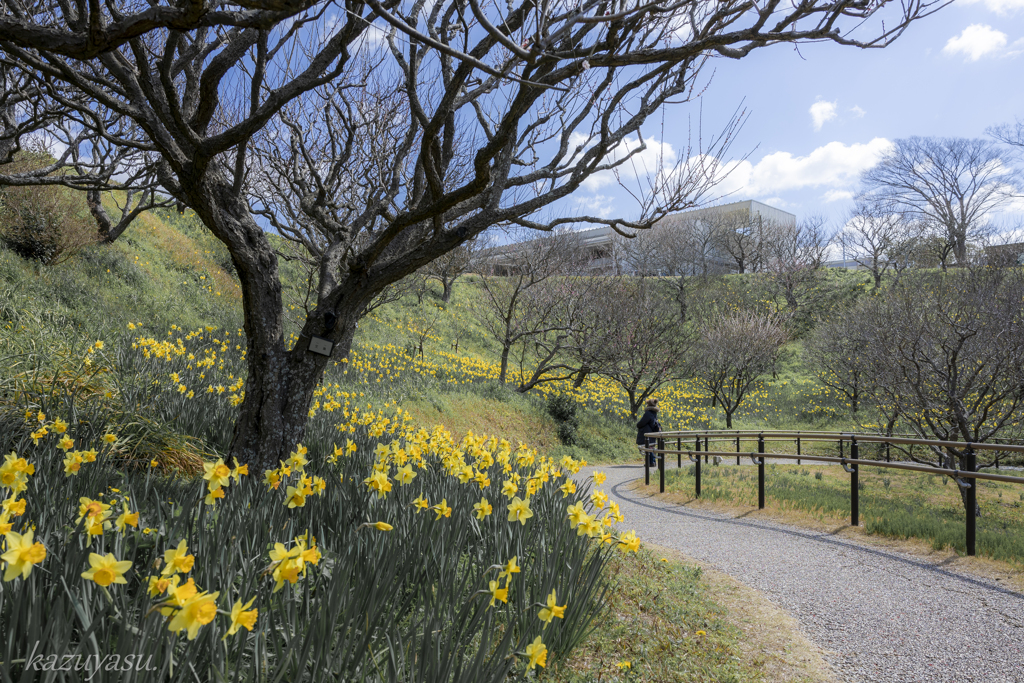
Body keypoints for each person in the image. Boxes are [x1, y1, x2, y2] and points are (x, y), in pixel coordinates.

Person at [636, 399, 661, 467]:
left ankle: (651, 462)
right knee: (651, 447)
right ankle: (652, 462)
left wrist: (638, 425)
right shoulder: (654, 413)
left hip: (648, 433)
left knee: (649, 447)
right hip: (652, 433)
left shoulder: (648, 413)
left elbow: (642, 422)